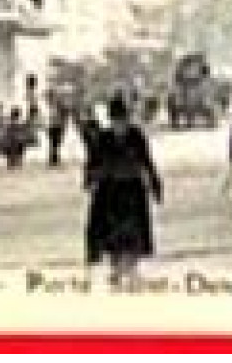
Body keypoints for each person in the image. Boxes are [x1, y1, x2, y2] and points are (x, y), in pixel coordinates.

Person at [84, 95, 163, 282]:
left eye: (122, 120)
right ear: (111, 120)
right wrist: (90, 179)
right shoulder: (103, 138)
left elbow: (147, 161)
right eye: (116, 121)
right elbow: (93, 161)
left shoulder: (136, 136)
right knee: (111, 232)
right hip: (109, 190)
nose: (120, 125)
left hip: (132, 189)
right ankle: (116, 267)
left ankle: (131, 266)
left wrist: (154, 183)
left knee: (134, 230)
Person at [45, 96, 69, 168]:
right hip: (54, 127)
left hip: (56, 127)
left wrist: (63, 127)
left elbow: (63, 120)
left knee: (55, 144)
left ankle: (54, 160)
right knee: (54, 144)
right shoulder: (52, 108)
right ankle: (53, 160)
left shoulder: (56, 109)